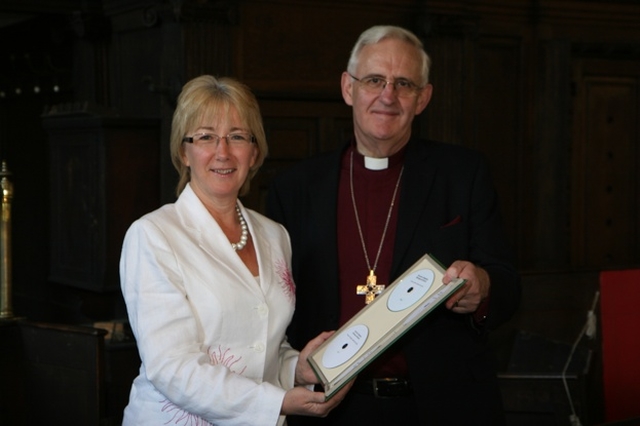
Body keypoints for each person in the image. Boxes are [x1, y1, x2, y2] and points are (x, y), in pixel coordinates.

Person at [266, 25, 521, 425]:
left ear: (423, 98)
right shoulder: (295, 189)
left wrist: (483, 288)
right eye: (374, 80)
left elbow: (508, 281)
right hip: (330, 409)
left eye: (404, 83)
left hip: (442, 405)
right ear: (348, 89)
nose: (388, 95)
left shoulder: (463, 173)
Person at [119, 75, 350, 426]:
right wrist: (280, 402)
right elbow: (173, 367)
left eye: (238, 136)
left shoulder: (275, 235)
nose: (223, 152)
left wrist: (296, 368)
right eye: (206, 136)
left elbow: (261, 346)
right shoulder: (152, 235)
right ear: (184, 152)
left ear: (254, 151)